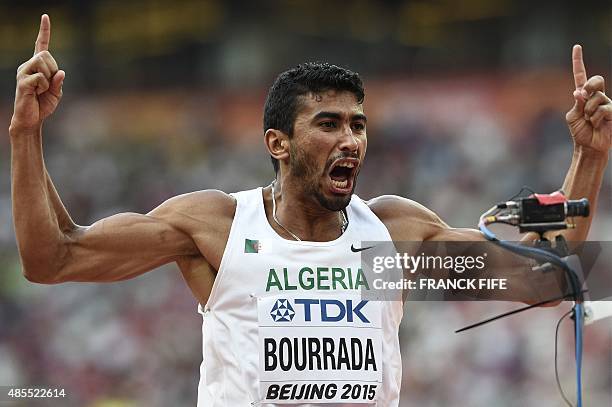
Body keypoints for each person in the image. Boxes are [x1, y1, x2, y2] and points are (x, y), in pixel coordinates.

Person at [10, 14, 611, 406]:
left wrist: (588, 155)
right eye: (328, 124)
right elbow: (52, 258)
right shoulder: (219, 228)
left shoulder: (387, 240)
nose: (351, 140)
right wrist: (25, 134)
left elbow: (543, 276)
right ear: (279, 143)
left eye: (359, 125)